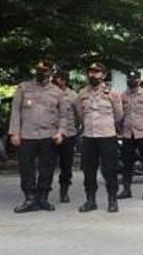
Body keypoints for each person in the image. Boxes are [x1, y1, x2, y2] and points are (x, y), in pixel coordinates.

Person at [9, 60, 65, 213]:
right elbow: (15, 111)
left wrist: (61, 132)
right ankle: (30, 198)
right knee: (26, 168)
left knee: (47, 168)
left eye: (44, 70)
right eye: (38, 70)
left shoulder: (57, 92)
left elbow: (64, 115)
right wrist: (15, 132)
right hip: (27, 135)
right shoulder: (24, 88)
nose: (40, 73)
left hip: (49, 135)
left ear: (51, 73)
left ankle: (43, 198)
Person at [73, 62, 124, 213]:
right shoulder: (82, 93)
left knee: (110, 170)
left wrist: (106, 125)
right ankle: (90, 200)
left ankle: (112, 200)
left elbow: (119, 114)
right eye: (91, 72)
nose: (93, 75)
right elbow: (80, 115)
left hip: (107, 136)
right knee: (89, 171)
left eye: (97, 72)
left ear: (103, 75)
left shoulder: (112, 94)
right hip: (89, 137)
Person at [118, 70, 143, 200]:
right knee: (127, 163)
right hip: (128, 134)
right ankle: (126, 189)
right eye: (129, 79)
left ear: (139, 80)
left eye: (134, 79)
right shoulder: (123, 96)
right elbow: (120, 115)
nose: (131, 81)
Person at [52, 70, 79, 203]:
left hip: (68, 134)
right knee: (47, 164)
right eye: (56, 78)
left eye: (59, 78)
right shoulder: (50, 93)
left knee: (66, 165)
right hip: (51, 133)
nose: (57, 81)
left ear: (64, 80)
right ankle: (43, 190)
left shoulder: (73, 95)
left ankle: (64, 191)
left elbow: (79, 114)